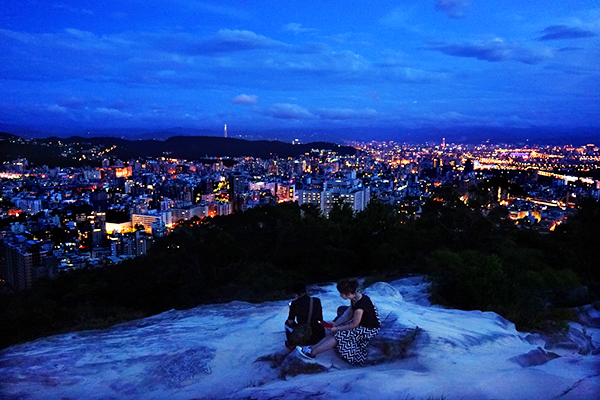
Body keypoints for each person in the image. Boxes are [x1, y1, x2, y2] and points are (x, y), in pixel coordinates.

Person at [298, 278, 380, 366]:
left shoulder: (360, 305)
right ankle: (311, 348)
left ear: (348, 294)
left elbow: (354, 324)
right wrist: (336, 324)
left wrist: (337, 328)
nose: (340, 295)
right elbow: (349, 315)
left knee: (339, 334)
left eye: (341, 293)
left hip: (369, 328)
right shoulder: (355, 297)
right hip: (361, 324)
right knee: (336, 332)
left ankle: (313, 353)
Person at [285, 282, 325, 350]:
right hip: (319, 336)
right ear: (305, 291)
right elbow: (320, 319)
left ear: (295, 293)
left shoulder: (294, 304)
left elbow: (290, 321)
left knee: (287, 323)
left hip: (305, 338)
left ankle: (291, 343)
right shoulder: (316, 300)